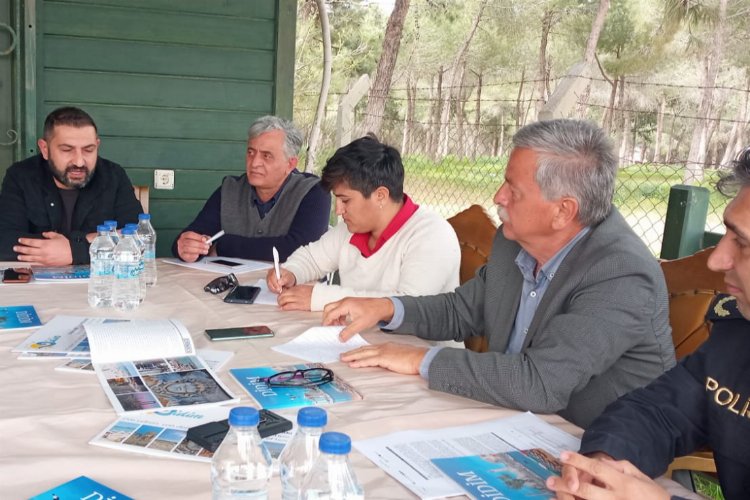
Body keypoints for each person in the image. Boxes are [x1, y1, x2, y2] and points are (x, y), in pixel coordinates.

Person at [322, 119, 675, 428]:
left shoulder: (620, 275)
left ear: (563, 211)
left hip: (593, 448)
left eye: (513, 189)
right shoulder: (517, 242)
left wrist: (420, 359)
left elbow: (540, 383)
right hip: (512, 420)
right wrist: (387, 308)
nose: (498, 196)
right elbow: (461, 311)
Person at [547, 147, 750, 500]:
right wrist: (604, 463)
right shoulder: (736, 339)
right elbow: (657, 412)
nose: (717, 260)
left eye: (743, 243)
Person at [266, 135, 460, 311]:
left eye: (346, 200)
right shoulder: (351, 230)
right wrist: (290, 272)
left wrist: (321, 298)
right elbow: (312, 259)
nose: (338, 210)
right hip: (360, 339)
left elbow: (408, 307)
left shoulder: (432, 235)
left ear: (380, 196)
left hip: (420, 348)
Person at [172, 116, 330, 263]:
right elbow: (194, 235)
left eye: (266, 156)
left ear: (290, 164)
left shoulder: (314, 192)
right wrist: (185, 247)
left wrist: (222, 246)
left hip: (296, 290)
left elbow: (300, 249)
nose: (254, 163)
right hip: (239, 288)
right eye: (250, 153)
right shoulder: (230, 190)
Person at [0, 106, 142, 265]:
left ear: (97, 145)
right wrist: (91, 240)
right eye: (67, 150)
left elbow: (137, 237)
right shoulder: (21, 176)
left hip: (100, 283)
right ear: (45, 149)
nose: (79, 161)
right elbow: (5, 242)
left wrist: (74, 251)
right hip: (36, 286)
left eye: (88, 150)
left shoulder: (113, 176)